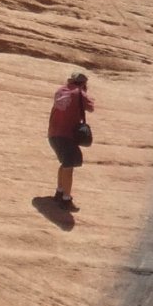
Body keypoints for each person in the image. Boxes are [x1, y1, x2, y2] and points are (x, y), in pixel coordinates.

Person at [48, 72, 94, 211]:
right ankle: (66, 200)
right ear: (83, 83)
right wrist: (83, 93)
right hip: (66, 135)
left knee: (65, 163)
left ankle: (60, 192)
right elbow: (91, 108)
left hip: (53, 134)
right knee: (69, 166)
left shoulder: (60, 90)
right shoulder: (80, 93)